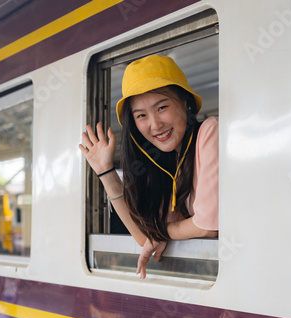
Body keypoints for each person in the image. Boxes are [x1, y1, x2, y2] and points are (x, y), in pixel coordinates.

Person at [79, 54, 218, 279]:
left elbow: (207, 225)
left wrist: (161, 232)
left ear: (185, 102)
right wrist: (105, 172)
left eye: (162, 107)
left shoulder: (210, 132)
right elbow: (146, 239)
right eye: (141, 115)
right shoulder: (171, 163)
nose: (155, 124)